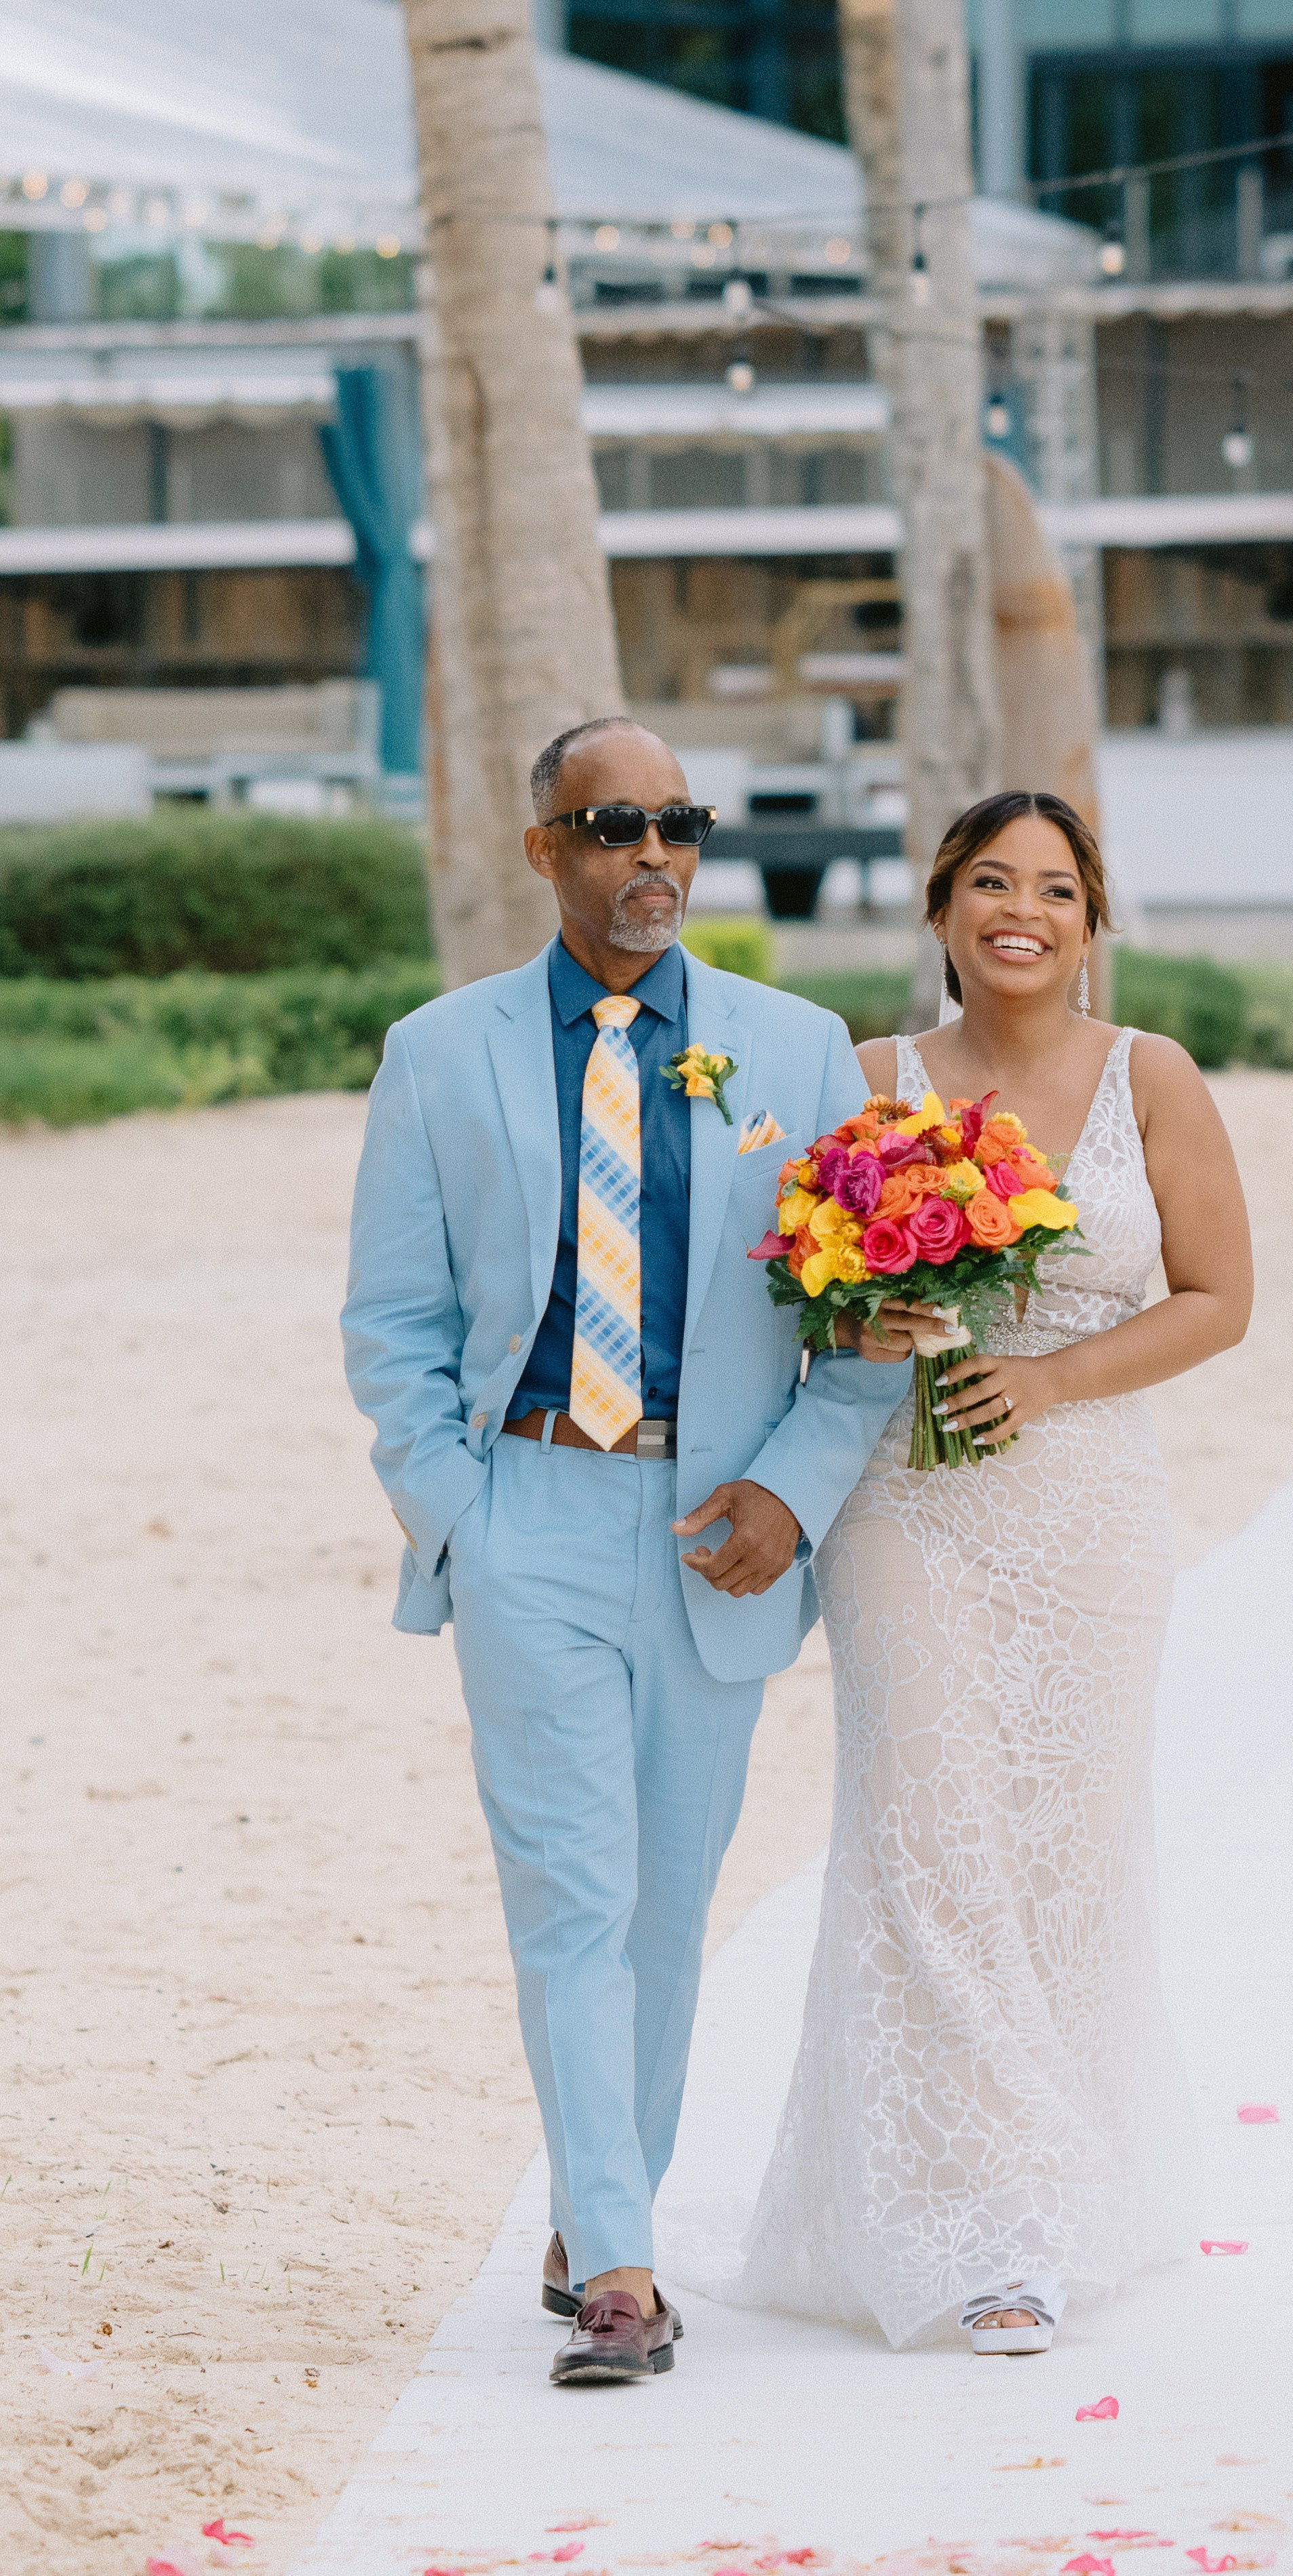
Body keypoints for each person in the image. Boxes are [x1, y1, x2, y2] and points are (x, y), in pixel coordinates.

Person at [340, 719, 907, 2387]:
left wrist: (794, 1493)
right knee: (573, 1892)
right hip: (529, 1516)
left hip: (720, 1527)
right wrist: (458, 1514)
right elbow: (393, 1319)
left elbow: (863, 1326)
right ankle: (625, 2273)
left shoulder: (798, 1052)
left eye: (679, 823)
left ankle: (601, 2217)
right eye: (612, 825)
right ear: (547, 851)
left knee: (665, 1903)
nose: (651, 854)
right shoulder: (437, 1054)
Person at [730, 789, 1254, 2354]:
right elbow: (795, 1290)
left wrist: (1054, 1379)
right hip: (904, 1509)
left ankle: (1057, 2181)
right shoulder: (868, 1078)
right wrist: (858, 1316)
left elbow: (1221, 1295)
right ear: (941, 909)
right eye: (985, 883)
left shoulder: (1148, 1078)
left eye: (1051, 889)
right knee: (927, 1843)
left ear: (1091, 921)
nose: (1017, 911)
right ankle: (981, 2229)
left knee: (1063, 1853)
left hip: (1086, 1510)